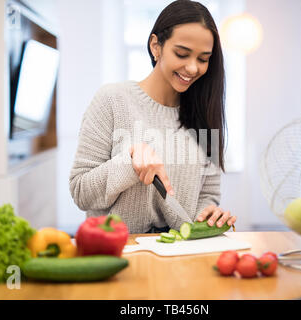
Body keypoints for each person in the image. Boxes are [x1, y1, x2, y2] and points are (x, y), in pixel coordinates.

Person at [69, 0, 237, 233]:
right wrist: (129, 163)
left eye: (203, 59)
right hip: (119, 251)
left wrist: (208, 216)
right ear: (155, 46)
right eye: (182, 53)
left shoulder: (205, 112)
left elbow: (208, 195)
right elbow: (81, 193)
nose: (192, 68)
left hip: (180, 253)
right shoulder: (112, 99)